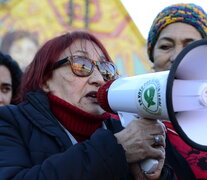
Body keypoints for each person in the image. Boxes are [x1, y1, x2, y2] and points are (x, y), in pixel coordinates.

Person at [0, 31, 168, 180]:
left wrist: (155, 174)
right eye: (81, 65)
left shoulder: (122, 129)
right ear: (45, 80)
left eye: (105, 69)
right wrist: (116, 150)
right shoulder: (11, 121)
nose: (99, 79)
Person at [147, 3, 207, 179]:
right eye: (165, 46)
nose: (177, 57)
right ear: (152, 58)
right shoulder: (122, 120)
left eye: (191, 46)